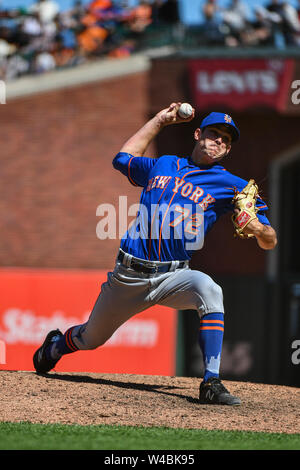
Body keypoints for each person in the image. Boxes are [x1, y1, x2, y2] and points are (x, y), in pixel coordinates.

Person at [33, 102, 277, 406]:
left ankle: (211, 382)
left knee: (210, 290)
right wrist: (159, 121)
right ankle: (54, 347)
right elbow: (122, 158)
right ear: (198, 134)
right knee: (89, 339)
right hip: (129, 277)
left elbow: (270, 241)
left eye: (226, 140)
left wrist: (257, 228)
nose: (219, 142)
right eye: (215, 134)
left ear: (228, 150)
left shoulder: (233, 187)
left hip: (174, 275)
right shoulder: (163, 164)